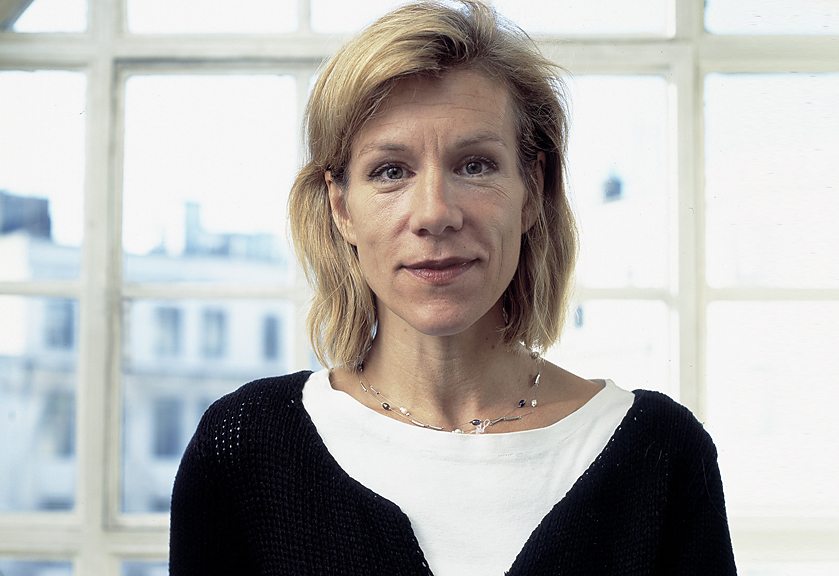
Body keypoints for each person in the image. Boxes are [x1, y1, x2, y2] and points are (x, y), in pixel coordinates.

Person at [169, 1, 736, 574]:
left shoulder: (663, 456)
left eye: (475, 166)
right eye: (390, 171)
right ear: (341, 207)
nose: (435, 214)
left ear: (532, 191)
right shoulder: (244, 447)